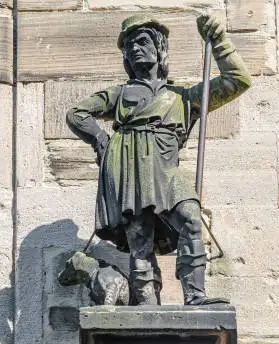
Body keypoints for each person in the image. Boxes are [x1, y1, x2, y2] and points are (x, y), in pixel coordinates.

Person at [66, 14, 250, 305]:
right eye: (128, 46)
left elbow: (237, 80)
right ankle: (147, 305)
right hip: (130, 170)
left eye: (142, 41)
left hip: (166, 170)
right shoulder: (120, 94)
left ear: (160, 48)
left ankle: (196, 296)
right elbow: (76, 114)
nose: (135, 49)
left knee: (190, 218)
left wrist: (219, 43)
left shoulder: (183, 97)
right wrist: (102, 141)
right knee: (140, 240)